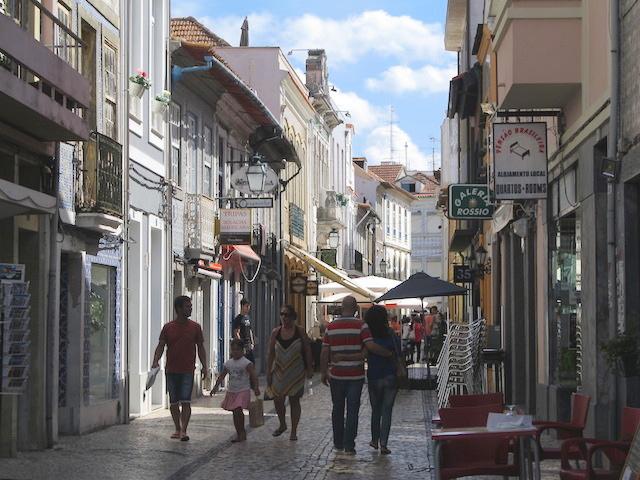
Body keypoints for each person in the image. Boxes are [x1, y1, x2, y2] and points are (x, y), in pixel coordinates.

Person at [320, 295, 393, 455]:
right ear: (354, 309)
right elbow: (370, 346)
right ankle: (349, 444)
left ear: (341, 307)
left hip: (337, 375)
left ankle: (338, 442)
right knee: (353, 410)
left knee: (337, 409)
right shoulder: (361, 325)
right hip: (355, 376)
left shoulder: (331, 327)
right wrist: (388, 353)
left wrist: (323, 371)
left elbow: (325, 350)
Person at [151, 296, 207, 441]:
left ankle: (184, 430)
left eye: (191, 306)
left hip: (188, 370)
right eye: (187, 306)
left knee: (186, 401)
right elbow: (161, 345)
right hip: (171, 370)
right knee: (174, 402)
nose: (190, 309)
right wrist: (155, 360)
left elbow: (200, 347)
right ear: (179, 309)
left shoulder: (195, 327)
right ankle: (177, 428)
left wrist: (205, 366)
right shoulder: (168, 327)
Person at [266, 305, 313, 441]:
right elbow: (270, 353)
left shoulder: (300, 332)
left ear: (293, 317)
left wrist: (309, 368)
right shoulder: (276, 332)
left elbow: (307, 350)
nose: (284, 317)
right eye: (282, 314)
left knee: (294, 400)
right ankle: (282, 424)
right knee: (277, 398)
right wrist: (269, 371)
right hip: (279, 370)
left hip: (296, 371)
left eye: (287, 315)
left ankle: (293, 431)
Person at [364, 305, 402, 455]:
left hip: (374, 375)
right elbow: (398, 351)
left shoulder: (368, 335)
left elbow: (365, 353)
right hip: (390, 375)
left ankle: (374, 440)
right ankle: (384, 444)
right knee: (387, 411)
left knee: (376, 410)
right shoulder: (391, 333)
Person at [211, 339, 260, 443]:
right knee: (235, 412)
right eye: (233, 349)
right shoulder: (228, 363)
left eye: (238, 349)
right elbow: (222, 375)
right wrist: (215, 387)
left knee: (238, 409)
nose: (235, 352)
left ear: (242, 350)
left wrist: (256, 388)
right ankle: (239, 432)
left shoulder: (246, 363)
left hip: (243, 390)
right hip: (232, 391)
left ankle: (242, 432)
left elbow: (253, 375)